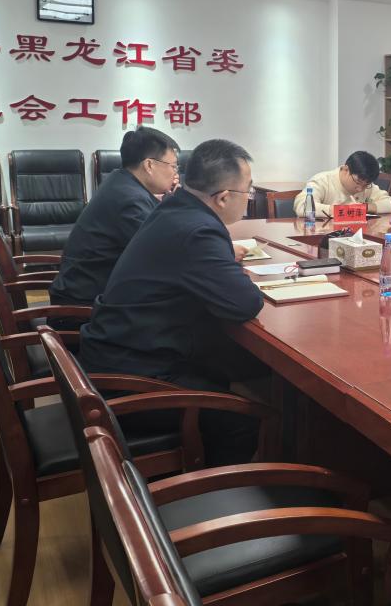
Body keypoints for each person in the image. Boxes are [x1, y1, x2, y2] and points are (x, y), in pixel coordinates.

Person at [78, 139, 267, 466]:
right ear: (223, 197)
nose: (249, 198)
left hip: (112, 355)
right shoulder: (199, 230)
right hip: (130, 381)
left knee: (233, 368)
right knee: (242, 419)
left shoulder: (174, 208)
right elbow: (244, 303)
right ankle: (214, 492)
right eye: (247, 190)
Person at [49, 127, 180, 312]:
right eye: (173, 166)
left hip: (88, 295)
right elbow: (165, 254)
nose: (176, 174)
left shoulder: (120, 182)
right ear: (149, 165)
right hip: (84, 310)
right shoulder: (130, 200)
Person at [293, 150, 391, 218]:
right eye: (357, 182)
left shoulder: (366, 186)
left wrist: (364, 207)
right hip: (322, 236)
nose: (360, 189)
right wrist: (340, 210)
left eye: (366, 185)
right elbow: (302, 206)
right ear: (345, 169)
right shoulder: (322, 181)